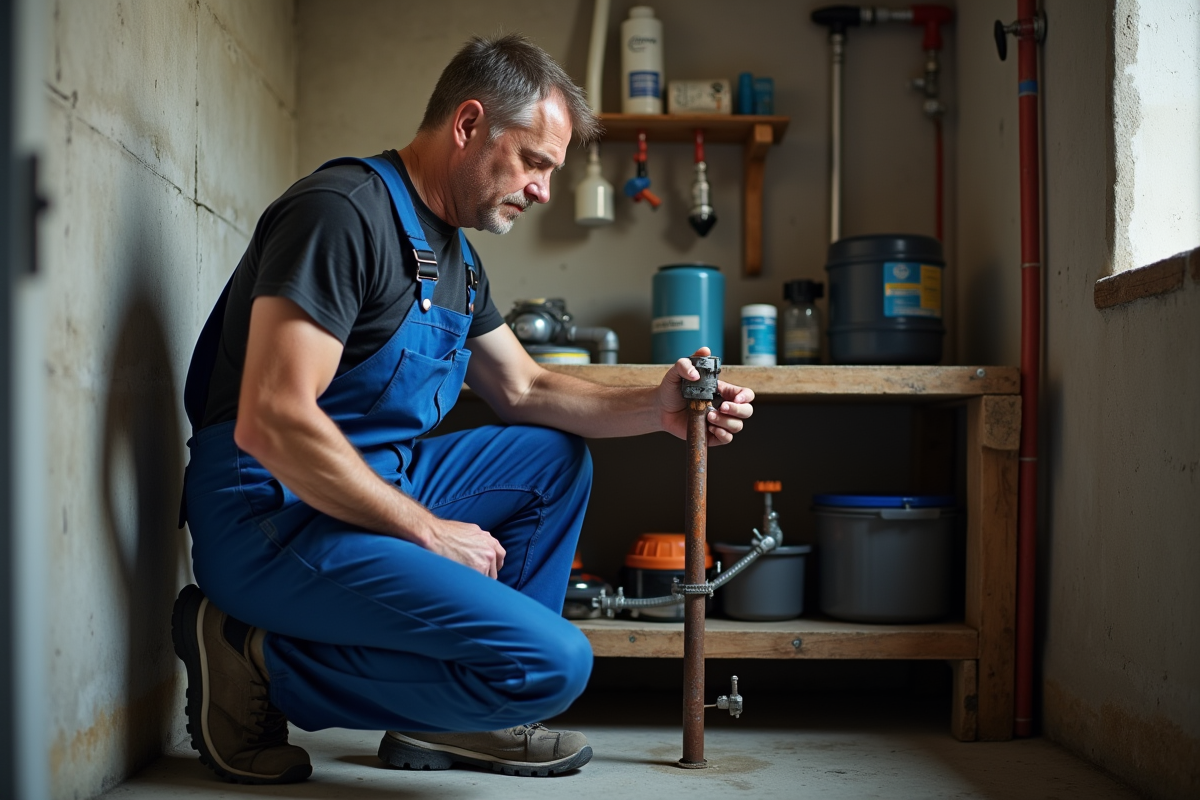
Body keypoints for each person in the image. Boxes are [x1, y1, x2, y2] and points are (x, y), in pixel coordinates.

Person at [172, 33, 755, 785]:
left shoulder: (453, 257)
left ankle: (457, 714)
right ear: (469, 124)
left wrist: (659, 407)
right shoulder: (342, 213)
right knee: (553, 663)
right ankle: (250, 655)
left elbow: (526, 390)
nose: (544, 189)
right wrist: (427, 530)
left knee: (551, 457)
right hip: (270, 513)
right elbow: (274, 418)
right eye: (536, 161)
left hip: (366, 491)